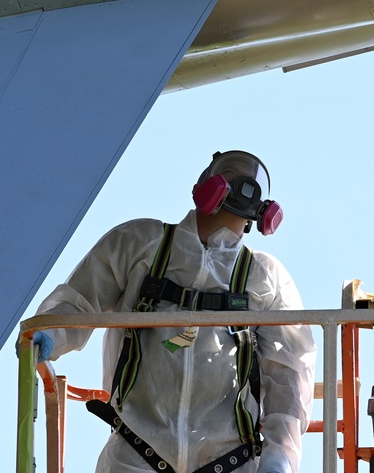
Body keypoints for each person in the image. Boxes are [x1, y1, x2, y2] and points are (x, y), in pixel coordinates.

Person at [24, 150, 316, 473]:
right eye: (231, 172)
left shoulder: (265, 278)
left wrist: (281, 456)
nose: (242, 186)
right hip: (134, 459)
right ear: (205, 183)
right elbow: (80, 298)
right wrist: (49, 332)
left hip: (231, 463)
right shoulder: (140, 245)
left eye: (252, 182)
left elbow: (290, 375)